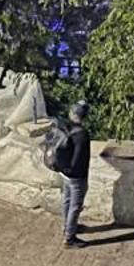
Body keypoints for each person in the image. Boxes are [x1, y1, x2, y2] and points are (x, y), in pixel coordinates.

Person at [52, 101, 92, 247]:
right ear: (85, 116)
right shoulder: (82, 134)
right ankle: (69, 238)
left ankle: (67, 226)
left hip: (64, 172)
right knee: (75, 206)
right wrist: (79, 174)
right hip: (76, 176)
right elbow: (79, 158)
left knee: (66, 201)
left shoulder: (65, 126)